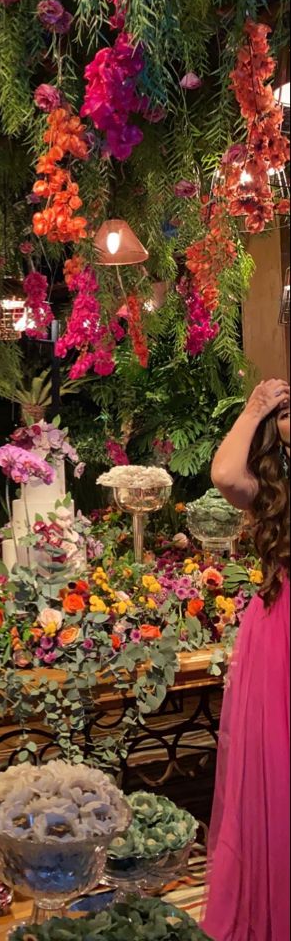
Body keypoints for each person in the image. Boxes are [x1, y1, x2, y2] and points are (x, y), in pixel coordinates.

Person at [202, 378, 290, 941]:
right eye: (288, 413)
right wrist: (256, 406)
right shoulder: (273, 488)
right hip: (281, 632)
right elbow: (224, 476)